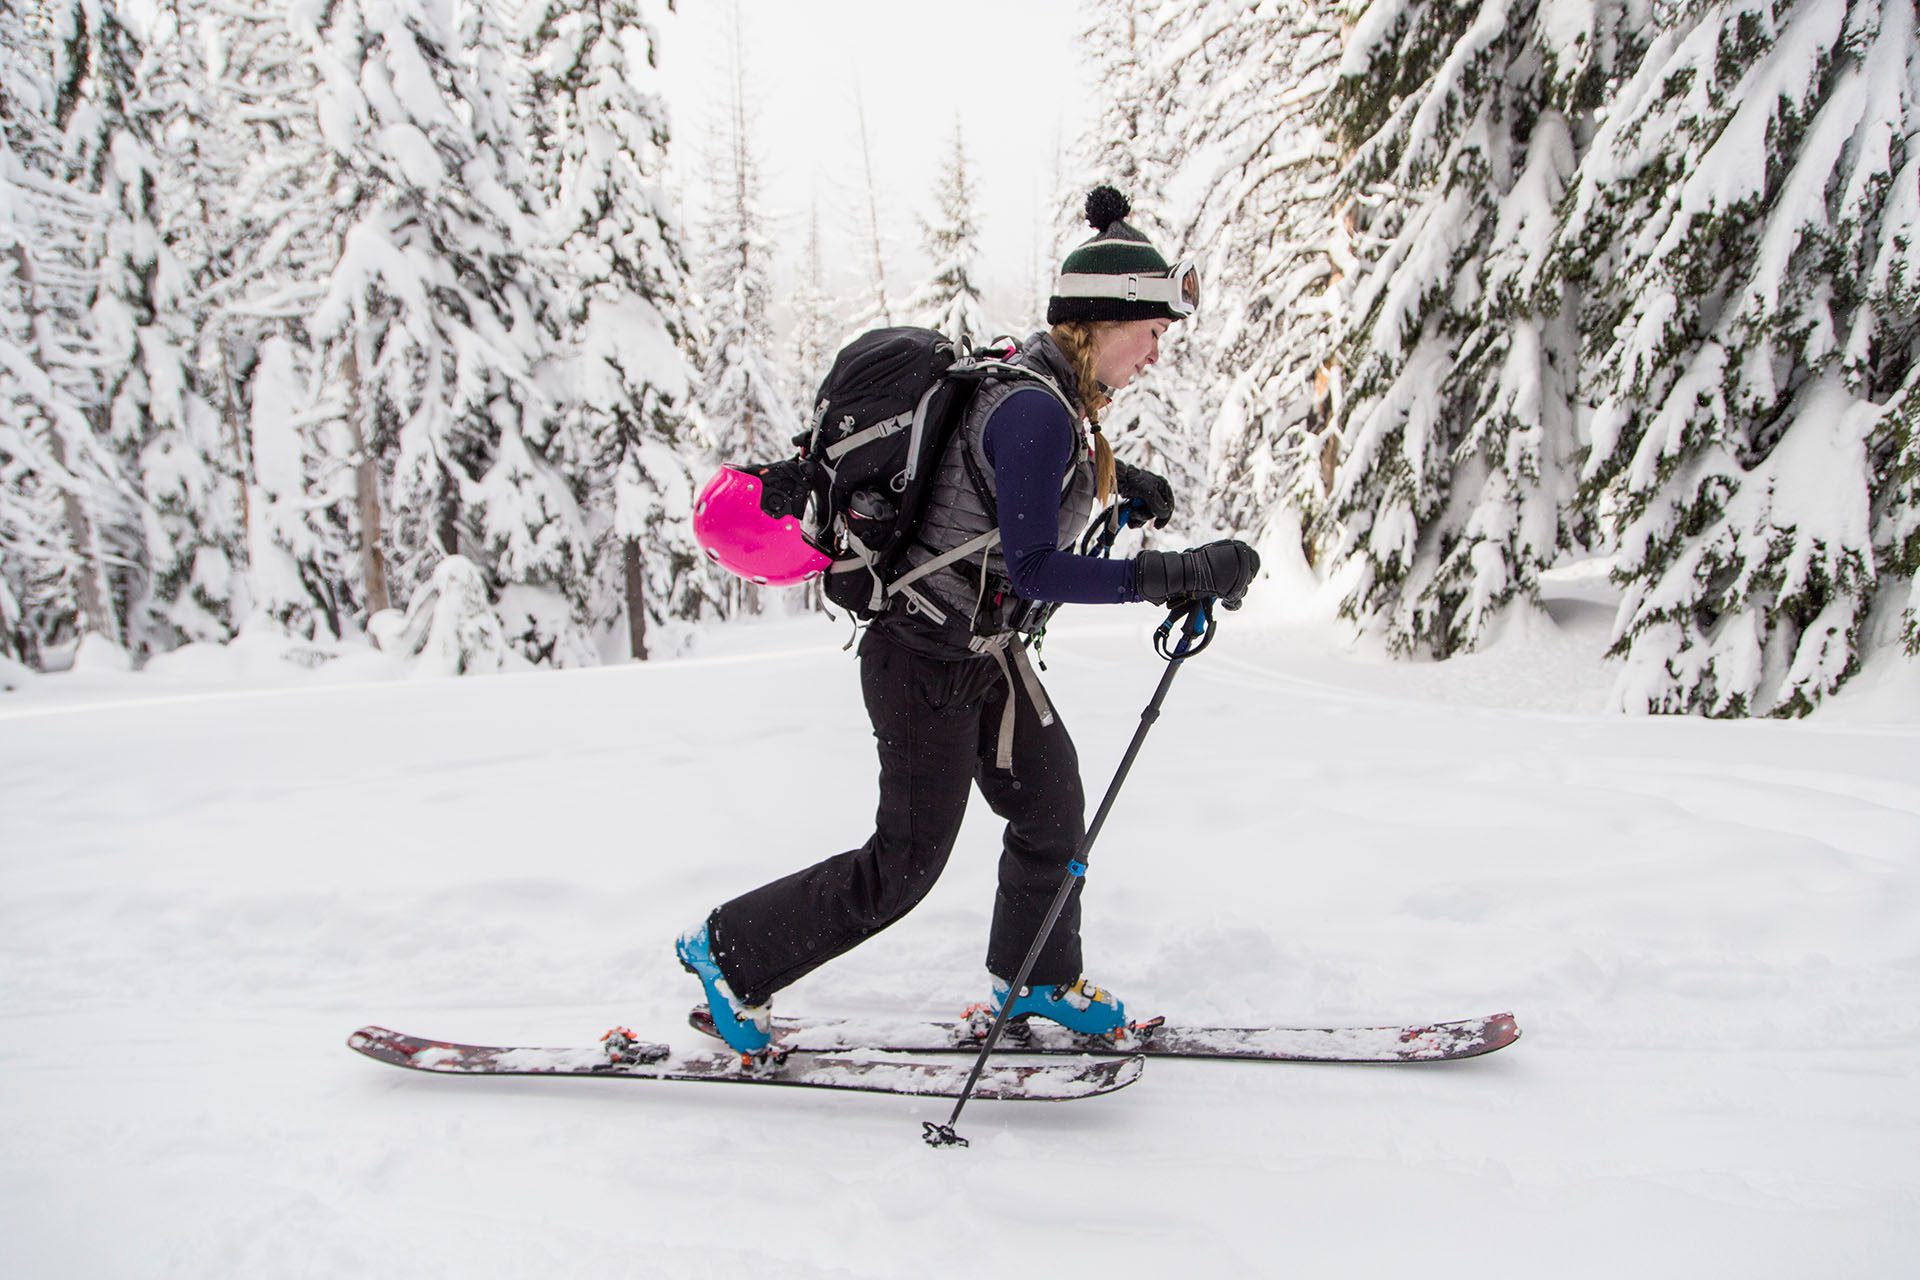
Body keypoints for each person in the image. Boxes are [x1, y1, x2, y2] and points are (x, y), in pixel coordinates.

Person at [678, 186, 1260, 1058]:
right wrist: (1175, 574)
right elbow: (1033, 564)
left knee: (1050, 802)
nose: (1156, 352)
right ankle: (730, 955)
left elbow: (1001, 489)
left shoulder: (1047, 398)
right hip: (922, 657)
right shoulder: (1034, 408)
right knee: (903, 864)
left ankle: (1038, 977)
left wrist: (1118, 480)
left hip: (980, 651)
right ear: (1103, 321)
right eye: (1153, 332)